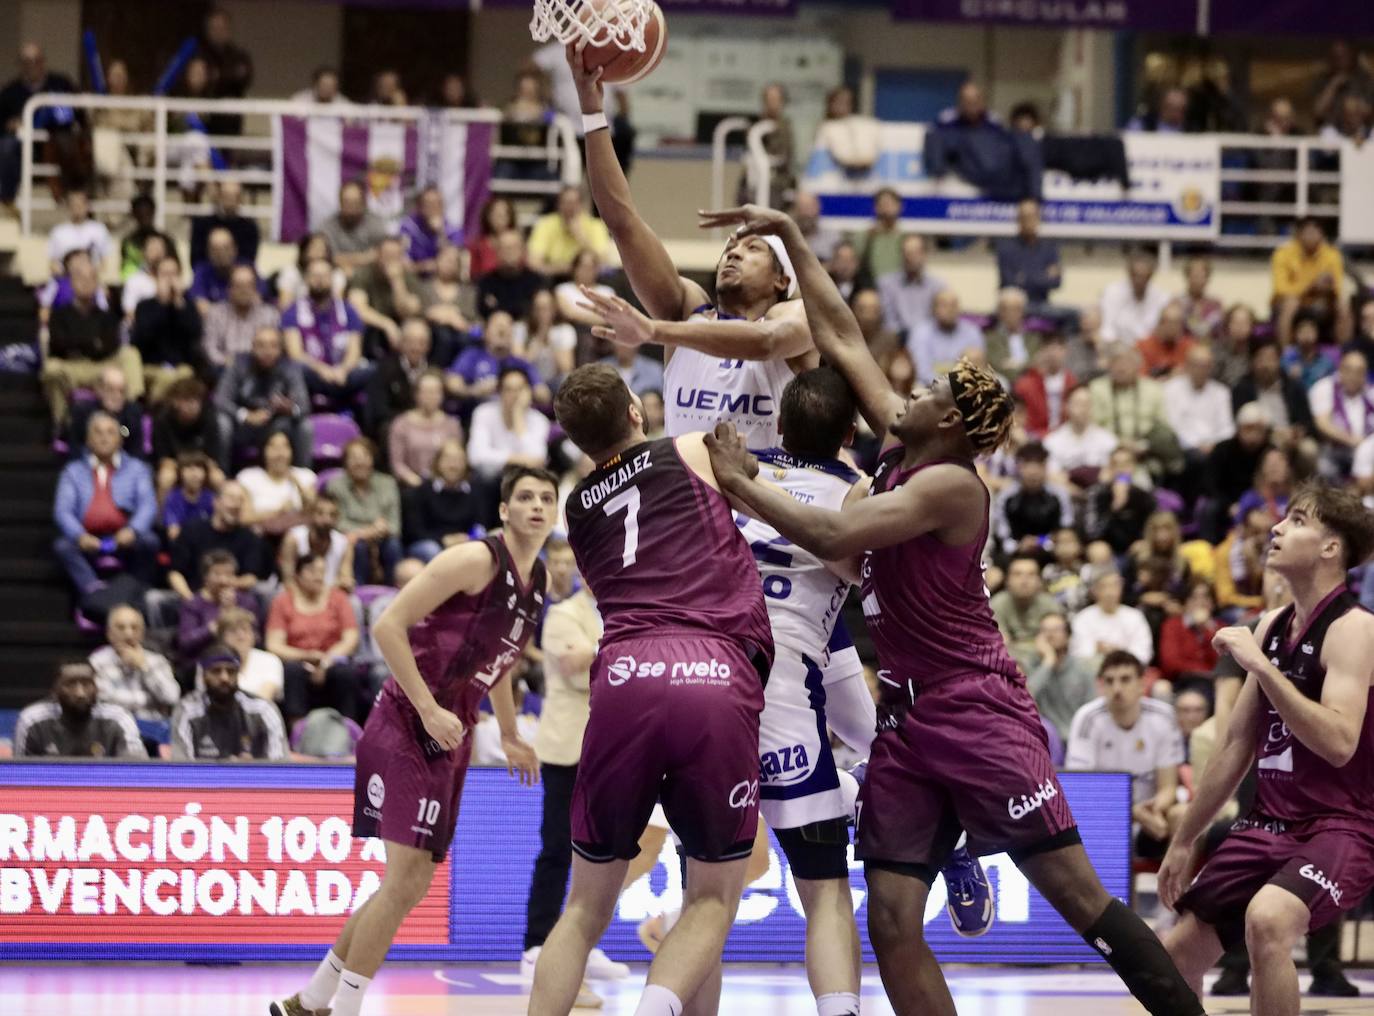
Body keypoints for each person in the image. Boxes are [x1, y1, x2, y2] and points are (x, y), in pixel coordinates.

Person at [698, 202, 1203, 1016]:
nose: (909, 390)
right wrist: (791, 235)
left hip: (977, 709)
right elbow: (841, 336)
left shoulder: (947, 486)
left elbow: (833, 527)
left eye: (929, 389)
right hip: (905, 721)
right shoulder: (906, 448)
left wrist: (742, 483)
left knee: (1080, 902)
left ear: (953, 422)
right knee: (892, 920)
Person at [525, 363, 774, 1016]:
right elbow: (768, 507)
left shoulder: (577, 508)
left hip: (626, 674)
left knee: (581, 908)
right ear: (636, 410)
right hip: (712, 668)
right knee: (711, 899)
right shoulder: (692, 449)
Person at [267, 467, 552, 1016]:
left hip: (452, 731)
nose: (537, 505)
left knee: (411, 883)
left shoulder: (536, 578)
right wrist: (427, 706)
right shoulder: (474, 560)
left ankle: (312, 999)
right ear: (503, 510)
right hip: (407, 720)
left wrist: (512, 733)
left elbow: (504, 664)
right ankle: (343, 1005)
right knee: (403, 882)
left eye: (546, 497)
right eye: (525, 497)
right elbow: (388, 625)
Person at [1160, 484, 1374, 1015]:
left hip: (1341, 825)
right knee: (1173, 955)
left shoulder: (1356, 630)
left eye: (1297, 521)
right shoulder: (1272, 626)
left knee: (1269, 920)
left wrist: (1260, 665)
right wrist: (1185, 839)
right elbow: (1235, 745)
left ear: (1330, 547)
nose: (1276, 528)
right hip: (1267, 823)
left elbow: (1339, 742)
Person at [520, 583, 628, 998]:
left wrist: (601, 651)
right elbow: (574, 668)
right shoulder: (564, 613)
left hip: (613, 746)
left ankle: (582, 946)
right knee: (556, 849)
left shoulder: (623, 604)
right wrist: (624, 646)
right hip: (567, 747)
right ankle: (536, 946)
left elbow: (604, 665)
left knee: (601, 851)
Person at [1066, 651, 1185, 859]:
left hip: (1150, 814)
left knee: (1181, 814)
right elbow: (1082, 791)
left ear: (1142, 683)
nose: (1117, 688)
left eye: (1125, 679)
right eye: (1109, 681)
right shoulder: (1087, 718)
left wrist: (1154, 809)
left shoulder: (1164, 717)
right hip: (1103, 817)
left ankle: (1176, 888)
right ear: (1100, 686)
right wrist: (1131, 812)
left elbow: (1168, 787)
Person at [52, 412, 159, 596]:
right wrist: (79, 536)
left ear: (120, 439)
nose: (104, 438)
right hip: (87, 537)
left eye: (110, 432)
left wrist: (132, 530)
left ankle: (134, 591)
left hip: (124, 536)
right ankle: (93, 591)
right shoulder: (73, 471)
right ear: (88, 440)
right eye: (98, 433)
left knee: (149, 542)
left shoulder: (137, 469)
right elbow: (62, 511)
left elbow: (148, 505)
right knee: (63, 546)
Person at [42, 256, 144, 429]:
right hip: (72, 366)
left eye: (91, 278)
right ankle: (64, 424)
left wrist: (80, 343)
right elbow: (58, 345)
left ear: (97, 283)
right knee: (51, 369)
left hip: (102, 366)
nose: (85, 283)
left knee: (130, 354)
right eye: (80, 278)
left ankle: (132, 413)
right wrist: (93, 343)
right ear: (72, 283)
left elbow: (111, 345)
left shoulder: (107, 315)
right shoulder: (59, 315)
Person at [266, 553, 363, 723]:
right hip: (298, 660)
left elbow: (351, 638)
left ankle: (348, 731)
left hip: (332, 660)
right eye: (311, 571)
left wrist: (326, 661)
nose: (318, 576)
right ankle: (297, 733)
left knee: (345, 673)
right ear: (297, 575)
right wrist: (307, 656)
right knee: (292, 671)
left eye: (321, 571)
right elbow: (274, 644)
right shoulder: (282, 601)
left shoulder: (338, 598)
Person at [214, 325, 313, 467]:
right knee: (221, 421)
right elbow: (220, 399)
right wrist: (246, 415)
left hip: (277, 425)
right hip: (244, 427)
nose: (267, 351)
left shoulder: (290, 367)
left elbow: (304, 405)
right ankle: (221, 475)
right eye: (261, 345)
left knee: (305, 425)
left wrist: (289, 409)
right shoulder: (238, 364)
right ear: (252, 347)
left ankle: (304, 476)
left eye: (273, 346)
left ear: (281, 349)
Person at [172, 643, 288, 761]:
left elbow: (281, 765)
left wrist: (253, 768)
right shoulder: (187, 711)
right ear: (203, 675)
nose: (224, 678)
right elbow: (180, 769)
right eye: (216, 671)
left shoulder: (262, 709)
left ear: (238, 674)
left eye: (231, 671)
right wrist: (223, 770)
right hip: (205, 779)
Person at [282, 257, 371, 406]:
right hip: (313, 374)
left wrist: (342, 370)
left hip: (343, 374)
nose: (319, 280)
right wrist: (323, 370)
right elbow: (295, 353)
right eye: (315, 276)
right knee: (295, 369)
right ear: (306, 279)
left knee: (373, 370)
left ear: (332, 279)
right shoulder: (293, 311)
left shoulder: (348, 310)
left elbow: (354, 351)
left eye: (324, 276)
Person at [14, 662, 146, 759]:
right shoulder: (32, 720)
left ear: (97, 688)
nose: (80, 693)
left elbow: (137, 773)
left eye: (87, 684)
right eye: (70, 685)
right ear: (55, 691)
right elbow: (17, 777)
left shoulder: (119, 719)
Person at [131, 253, 207, 402]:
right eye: (165, 274)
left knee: (184, 375)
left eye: (174, 274)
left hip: (181, 367)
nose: (170, 280)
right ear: (155, 277)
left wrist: (179, 305)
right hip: (152, 367)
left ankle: (154, 412)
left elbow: (195, 334)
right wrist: (162, 305)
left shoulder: (188, 306)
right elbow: (141, 339)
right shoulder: (144, 306)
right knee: (166, 378)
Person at [327, 437, 403, 585]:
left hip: (382, 539)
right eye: (354, 458)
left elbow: (394, 525)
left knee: (393, 545)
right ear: (345, 463)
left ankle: (394, 590)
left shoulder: (388, 484)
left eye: (364, 457)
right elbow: (338, 523)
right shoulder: (335, 487)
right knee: (359, 546)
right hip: (352, 541)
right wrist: (367, 532)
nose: (360, 462)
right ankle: (358, 590)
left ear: (372, 459)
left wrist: (374, 531)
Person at [89, 604, 180, 722]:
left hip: (155, 729)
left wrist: (144, 667)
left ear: (142, 633)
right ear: (109, 634)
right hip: (115, 728)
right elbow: (104, 700)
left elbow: (172, 697)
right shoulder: (97, 662)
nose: (128, 634)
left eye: (134, 627)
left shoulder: (157, 661)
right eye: (121, 628)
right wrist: (149, 699)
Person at [177, 549, 263, 667]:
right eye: (217, 574)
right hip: (204, 660)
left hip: (244, 658)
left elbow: (257, 638)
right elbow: (186, 643)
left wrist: (234, 614)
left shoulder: (247, 602)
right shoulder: (193, 605)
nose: (223, 580)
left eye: (228, 574)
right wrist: (216, 625)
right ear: (205, 577)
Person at [1270, 216, 1347, 345]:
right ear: (1298, 235)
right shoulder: (1282, 254)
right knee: (1290, 303)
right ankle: (1286, 353)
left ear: (1322, 235)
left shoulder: (1332, 255)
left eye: (1315, 232)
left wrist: (1328, 288)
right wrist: (1310, 287)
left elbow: (1337, 289)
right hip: (1289, 303)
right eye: (1307, 233)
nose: (1311, 237)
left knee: (1343, 305)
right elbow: (1281, 289)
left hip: (1320, 302)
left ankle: (1344, 353)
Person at [404, 439, 484, 563]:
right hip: (430, 544)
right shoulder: (422, 490)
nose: (453, 465)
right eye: (448, 459)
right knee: (431, 550)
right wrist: (443, 540)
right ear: (438, 462)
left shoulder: (475, 490)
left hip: (465, 542)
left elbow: (481, 524)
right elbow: (414, 531)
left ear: (466, 463)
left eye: (458, 460)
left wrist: (469, 537)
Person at [468, 367, 551, 482]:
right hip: (493, 479)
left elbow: (538, 459)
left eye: (520, 389)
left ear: (528, 392)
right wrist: (515, 459)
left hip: (525, 478)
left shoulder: (539, 420)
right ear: (499, 392)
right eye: (509, 389)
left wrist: (518, 417)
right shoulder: (483, 413)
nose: (515, 395)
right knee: (485, 474)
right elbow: (476, 456)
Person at [991, 443, 1073, 559]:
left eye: (1039, 465)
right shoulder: (1006, 497)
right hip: (1015, 552)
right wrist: (1018, 546)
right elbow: (1002, 534)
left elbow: (1065, 528)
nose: (1033, 472)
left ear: (1046, 467)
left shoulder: (1059, 495)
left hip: (1053, 552)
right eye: (1027, 465)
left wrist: (1040, 541)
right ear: (1018, 467)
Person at [1026, 612, 1097, 742]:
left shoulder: (1083, 669)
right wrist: (1048, 661)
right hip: (1043, 740)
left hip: (1077, 739)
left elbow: (1092, 712)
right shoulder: (1032, 668)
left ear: (1068, 636)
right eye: (1044, 630)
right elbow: (1024, 698)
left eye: (1056, 630)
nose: (1050, 635)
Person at [387, 370, 462, 488]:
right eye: (426, 392)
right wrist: (418, 483)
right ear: (416, 394)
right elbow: (397, 464)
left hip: (445, 486)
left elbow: (457, 459)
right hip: (413, 486)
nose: (430, 396)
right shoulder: (401, 424)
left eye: (435, 392)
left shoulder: (452, 425)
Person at [348, 236, 424, 352]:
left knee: (417, 329)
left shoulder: (407, 275)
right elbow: (357, 309)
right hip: (373, 327)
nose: (391, 260)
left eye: (396, 256)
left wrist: (397, 281)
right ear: (378, 255)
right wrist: (387, 324)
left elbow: (410, 312)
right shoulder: (363, 273)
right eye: (387, 255)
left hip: (400, 326)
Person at [1070, 566, 1155, 667]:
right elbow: (1078, 653)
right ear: (1094, 590)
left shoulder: (1135, 616)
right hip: (1093, 672)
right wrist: (1096, 649)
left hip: (1129, 670)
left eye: (1115, 585)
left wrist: (1119, 653)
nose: (1110, 592)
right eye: (1104, 586)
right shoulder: (1082, 618)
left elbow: (1144, 653)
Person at [203, 263, 281, 372]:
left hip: (261, 369)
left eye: (248, 286)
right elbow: (209, 348)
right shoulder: (216, 314)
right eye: (238, 286)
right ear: (229, 289)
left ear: (255, 289)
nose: (244, 291)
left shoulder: (270, 314)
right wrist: (225, 361)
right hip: (225, 368)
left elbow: (276, 349)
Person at [991, 554, 1063, 671]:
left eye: (1031, 575)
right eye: (1017, 574)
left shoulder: (1050, 605)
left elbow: (1057, 644)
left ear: (1039, 580)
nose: (1024, 581)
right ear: (1007, 580)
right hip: (1010, 665)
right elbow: (1000, 645)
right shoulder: (996, 605)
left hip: (1045, 663)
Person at [1309, 349, 1374, 478]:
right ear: (1340, 369)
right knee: (1323, 466)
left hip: (1365, 455)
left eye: (1359, 372)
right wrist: (1352, 441)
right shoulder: (1325, 387)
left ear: (1365, 375)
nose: (1353, 376)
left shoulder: (1370, 392)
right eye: (1349, 369)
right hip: (1333, 454)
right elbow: (1322, 424)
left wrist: (1365, 448)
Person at [236, 430, 316, 533]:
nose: (280, 453)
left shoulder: (305, 476)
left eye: (285, 447)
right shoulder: (248, 477)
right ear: (263, 450)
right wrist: (278, 512)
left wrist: (298, 484)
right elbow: (244, 518)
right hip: (260, 537)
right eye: (273, 447)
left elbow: (315, 514)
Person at [527, 186, 611, 277]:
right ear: (558, 205)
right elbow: (533, 262)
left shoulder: (596, 225)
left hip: (588, 277)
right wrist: (567, 268)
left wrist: (581, 237)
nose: (570, 208)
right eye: (566, 203)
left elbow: (603, 262)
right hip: (554, 277)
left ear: (582, 205)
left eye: (574, 203)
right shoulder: (545, 224)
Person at [907, 288, 985, 385]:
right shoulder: (920, 332)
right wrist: (948, 384)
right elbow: (921, 370)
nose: (950, 309)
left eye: (954, 305)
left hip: (966, 384)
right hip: (929, 385)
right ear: (934, 309)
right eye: (944, 305)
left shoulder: (972, 331)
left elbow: (978, 366)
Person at [67, 364, 144, 459]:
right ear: (99, 389)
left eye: (121, 391)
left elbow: (136, 452)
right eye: (110, 390)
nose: (117, 396)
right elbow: (75, 450)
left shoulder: (133, 413)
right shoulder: (82, 412)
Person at [282, 492, 355, 593]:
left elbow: (346, 581)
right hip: (298, 594)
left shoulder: (344, 543)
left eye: (332, 515)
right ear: (311, 514)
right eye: (320, 513)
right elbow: (288, 580)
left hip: (331, 595)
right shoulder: (293, 539)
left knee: (354, 602)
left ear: (338, 518)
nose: (326, 519)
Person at [877, 234, 944, 345]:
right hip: (896, 341)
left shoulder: (937, 286)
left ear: (924, 255)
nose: (910, 257)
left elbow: (937, 321)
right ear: (901, 255)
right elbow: (888, 321)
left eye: (915, 253)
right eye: (907, 253)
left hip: (928, 341)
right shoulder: (886, 284)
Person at [995, 198, 1061, 308]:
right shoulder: (1006, 248)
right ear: (1018, 220)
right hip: (1014, 307)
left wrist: (1025, 277)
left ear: (1039, 218)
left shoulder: (1049, 247)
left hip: (1043, 305)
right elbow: (1009, 282)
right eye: (1025, 217)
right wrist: (1043, 277)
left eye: (1032, 216)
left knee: (1075, 315)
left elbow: (1056, 282)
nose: (1029, 221)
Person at [1100, 248, 1171, 345]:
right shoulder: (1112, 292)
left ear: (1150, 276)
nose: (1139, 281)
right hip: (1118, 347)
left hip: (1148, 349)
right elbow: (1107, 329)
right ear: (1129, 274)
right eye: (1136, 275)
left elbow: (1161, 332)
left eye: (1143, 276)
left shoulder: (1161, 298)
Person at [214, 606, 285, 703]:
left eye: (245, 630)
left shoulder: (270, 660)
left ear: (254, 635)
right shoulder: (212, 663)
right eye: (233, 631)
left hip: (258, 715)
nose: (241, 636)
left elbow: (264, 700)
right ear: (221, 637)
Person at [319, 180, 391, 273]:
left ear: (363, 203)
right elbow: (329, 257)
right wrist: (364, 258)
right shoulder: (328, 226)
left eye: (355, 202)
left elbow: (384, 253)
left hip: (372, 274)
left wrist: (346, 259)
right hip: (339, 273)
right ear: (340, 203)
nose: (351, 207)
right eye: (346, 202)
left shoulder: (375, 222)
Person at [1013, 333, 1075, 438]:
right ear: (1041, 351)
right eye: (1048, 348)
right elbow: (1018, 417)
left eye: (1057, 348)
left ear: (1066, 351)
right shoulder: (1025, 385)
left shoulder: (1073, 383)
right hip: (1034, 438)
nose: (1052, 354)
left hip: (1067, 438)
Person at [476, 229, 548, 321]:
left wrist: (499, 306)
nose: (509, 252)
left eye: (514, 247)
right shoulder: (486, 282)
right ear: (496, 252)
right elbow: (483, 311)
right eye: (505, 248)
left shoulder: (536, 280)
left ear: (523, 250)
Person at [190, 180, 260, 269]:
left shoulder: (249, 228)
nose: (230, 200)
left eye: (235, 196)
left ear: (240, 200)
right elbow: (195, 260)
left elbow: (249, 260)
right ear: (219, 197)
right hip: (208, 273)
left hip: (237, 273)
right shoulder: (202, 224)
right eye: (226, 196)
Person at [47, 188, 113, 275]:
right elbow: (52, 263)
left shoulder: (99, 229)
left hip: (92, 280)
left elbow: (104, 262)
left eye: (80, 205)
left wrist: (88, 276)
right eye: (74, 205)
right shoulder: (58, 231)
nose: (77, 209)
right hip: (65, 279)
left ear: (87, 206)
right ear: (68, 207)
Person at [1135, 300, 1195, 378]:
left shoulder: (1190, 347)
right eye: (1170, 323)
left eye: (1178, 323)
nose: (1174, 328)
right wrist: (1169, 376)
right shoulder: (1142, 346)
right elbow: (1141, 378)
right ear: (1160, 324)